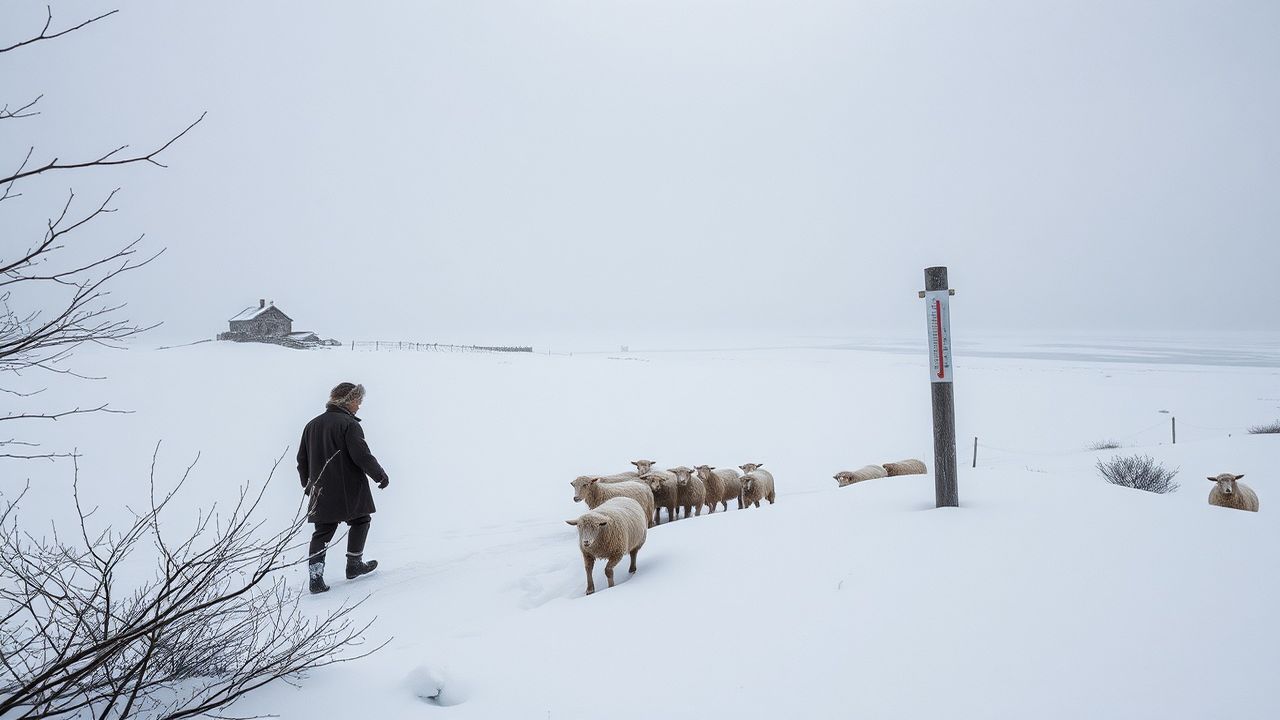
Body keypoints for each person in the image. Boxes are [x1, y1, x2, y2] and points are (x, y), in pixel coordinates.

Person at [297, 382, 390, 594]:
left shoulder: (311, 425)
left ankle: (315, 579)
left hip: (321, 490)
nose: (359, 406)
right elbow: (361, 456)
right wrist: (380, 475)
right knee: (361, 520)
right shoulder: (349, 424)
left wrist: (309, 485)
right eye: (358, 401)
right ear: (348, 401)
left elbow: (301, 460)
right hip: (348, 488)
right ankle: (354, 564)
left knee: (322, 532)